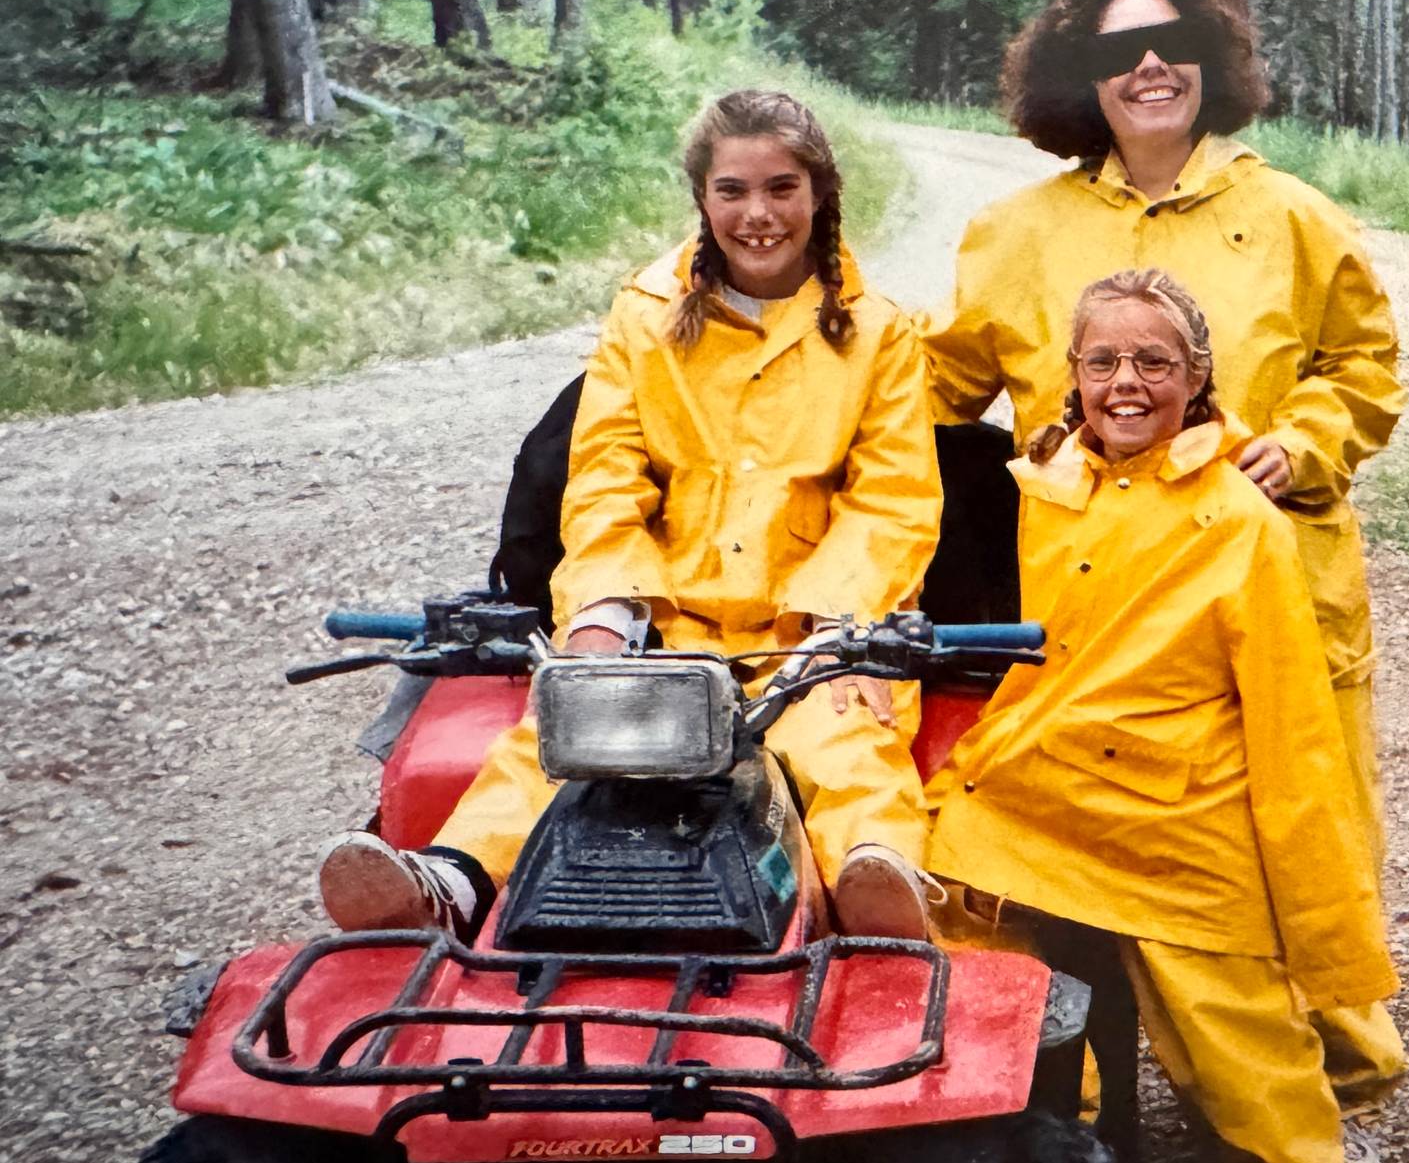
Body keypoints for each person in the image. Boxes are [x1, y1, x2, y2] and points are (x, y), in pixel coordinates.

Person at [923, 0, 1408, 1163]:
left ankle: (1322, 1101)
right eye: (1121, 49)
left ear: (1214, 60)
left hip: (1276, 586)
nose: (1150, 67)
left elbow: (1362, 373)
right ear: (1079, 76)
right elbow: (926, 396)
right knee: (1051, 851)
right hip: (1092, 612)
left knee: (1295, 841)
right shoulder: (1017, 231)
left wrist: (1299, 445)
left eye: (1174, 41)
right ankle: (1059, 1107)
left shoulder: (1293, 216)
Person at [317, 90, 943, 941]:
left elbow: (893, 495)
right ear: (702, 198)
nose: (757, 214)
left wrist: (839, 622)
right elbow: (606, 472)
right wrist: (606, 615)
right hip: (673, 618)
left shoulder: (880, 333)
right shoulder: (645, 315)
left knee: (849, 738)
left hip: (812, 622)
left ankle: (878, 882)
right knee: (569, 729)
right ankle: (449, 881)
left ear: (820, 192)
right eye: (733, 190)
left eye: (781, 187)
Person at [926, 269, 1393, 1163]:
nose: (1126, 385)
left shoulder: (1242, 523)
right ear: (1071, 379)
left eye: (1154, 363)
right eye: (1102, 362)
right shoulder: (1044, 485)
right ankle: (1062, 1155)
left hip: (1182, 822)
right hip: (1035, 805)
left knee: (1245, 1057)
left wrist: (1313, 907)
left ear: (1199, 380)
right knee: (929, 911)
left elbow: (1293, 728)